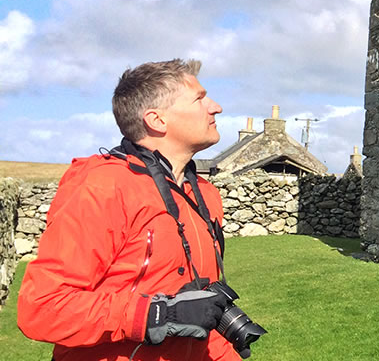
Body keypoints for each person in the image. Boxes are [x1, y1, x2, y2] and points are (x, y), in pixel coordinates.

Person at [18, 59, 243, 361]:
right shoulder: (103, 186)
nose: (216, 107)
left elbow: (201, 311)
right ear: (157, 120)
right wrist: (158, 315)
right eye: (200, 99)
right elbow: (43, 308)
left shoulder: (204, 194)